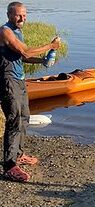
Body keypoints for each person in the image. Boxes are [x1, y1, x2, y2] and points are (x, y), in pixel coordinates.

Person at [0, 2, 61, 182]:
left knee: (24, 117)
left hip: (19, 80)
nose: (22, 18)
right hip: (7, 81)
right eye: (19, 15)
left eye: (25, 15)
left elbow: (21, 57)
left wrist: (42, 61)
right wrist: (50, 46)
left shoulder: (18, 31)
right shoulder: (5, 31)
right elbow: (25, 52)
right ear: (9, 14)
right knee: (14, 120)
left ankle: (18, 155)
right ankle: (10, 166)